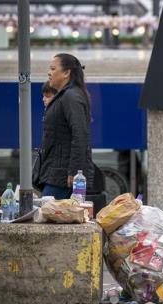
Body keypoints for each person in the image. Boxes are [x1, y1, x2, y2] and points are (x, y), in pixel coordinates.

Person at [37, 53, 94, 199]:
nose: (49, 72)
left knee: (48, 216)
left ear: (66, 73)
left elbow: (80, 134)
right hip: (58, 173)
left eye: (53, 68)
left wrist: (75, 171)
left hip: (64, 177)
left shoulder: (71, 96)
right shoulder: (66, 95)